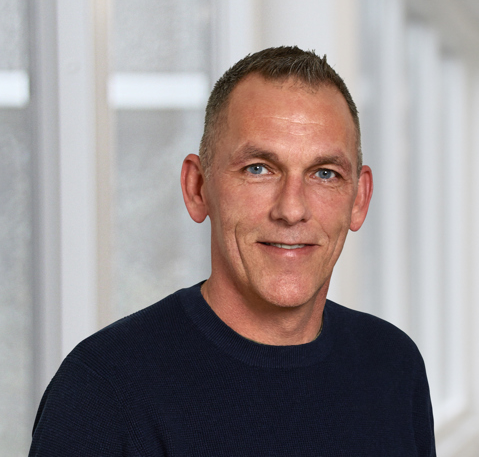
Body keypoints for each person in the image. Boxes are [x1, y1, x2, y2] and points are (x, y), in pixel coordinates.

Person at [29, 46, 435, 456]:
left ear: (359, 199)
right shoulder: (102, 392)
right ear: (197, 188)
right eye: (258, 168)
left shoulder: (393, 367)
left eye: (325, 173)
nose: (292, 209)